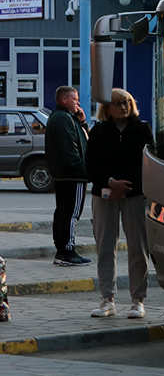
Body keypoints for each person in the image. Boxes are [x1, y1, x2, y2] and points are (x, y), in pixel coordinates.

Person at [86, 88, 154, 319]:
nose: (123, 107)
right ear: (107, 108)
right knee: (105, 247)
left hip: (134, 194)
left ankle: (138, 301)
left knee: (138, 247)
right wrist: (110, 182)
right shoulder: (99, 131)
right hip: (104, 194)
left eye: (126, 102)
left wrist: (125, 186)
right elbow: (91, 164)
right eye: (117, 103)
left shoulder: (142, 129)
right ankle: (107, 299)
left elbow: (149, 162)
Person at [46, 85, 91, 266]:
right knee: (71, 214)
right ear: (64, 99)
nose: (78, 103)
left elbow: (84, 139)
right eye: (75, 99)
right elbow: (71, 150)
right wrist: (82, 170)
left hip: (65, 175)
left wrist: (81, 122)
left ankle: (61, 250)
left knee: (63, 213)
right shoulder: (63, 119)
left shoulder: (65, 118)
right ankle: (68, 251)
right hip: (73, 176)